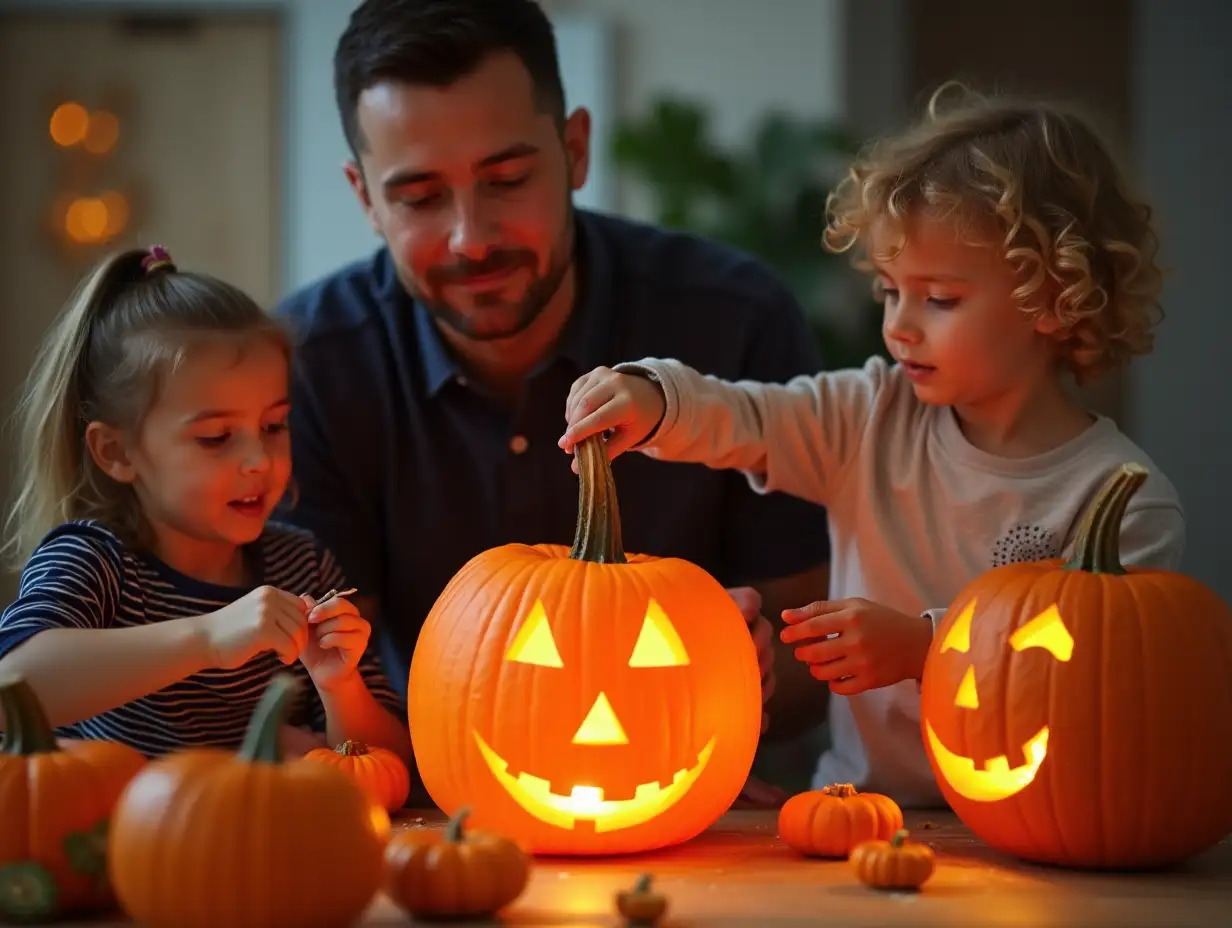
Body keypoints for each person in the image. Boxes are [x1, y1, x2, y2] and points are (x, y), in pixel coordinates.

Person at [557, 85, 1185, 808]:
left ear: (1053, 298)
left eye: (939, 299)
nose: (900, 326)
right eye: (890, 291)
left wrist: (925, 648)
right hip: (854, 809)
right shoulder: (868, 415)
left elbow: (1098, 675)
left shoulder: (1125, 499)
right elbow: (747, 416)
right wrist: (655, 397)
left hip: (1037, 828)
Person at [274, 0, 833, 783]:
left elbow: (815, 669)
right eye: (420, 197)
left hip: (695, 811)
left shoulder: (736, 321)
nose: (472, 237)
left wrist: (758, 671)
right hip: (424, 807)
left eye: (506, 179)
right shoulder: (305, 366)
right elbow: (317, 682)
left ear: (575, 149)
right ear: (365, 197)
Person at [0, 246, 411, 765]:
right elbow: (11, 684)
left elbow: (394, 765)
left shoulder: (302, 565)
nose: (259, 460)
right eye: (216, 437)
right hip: (108, 841)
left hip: (251, 840)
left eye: (273, 426)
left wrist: (339, 686)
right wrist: (208, 636)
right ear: (118, 452)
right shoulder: (95, 562)